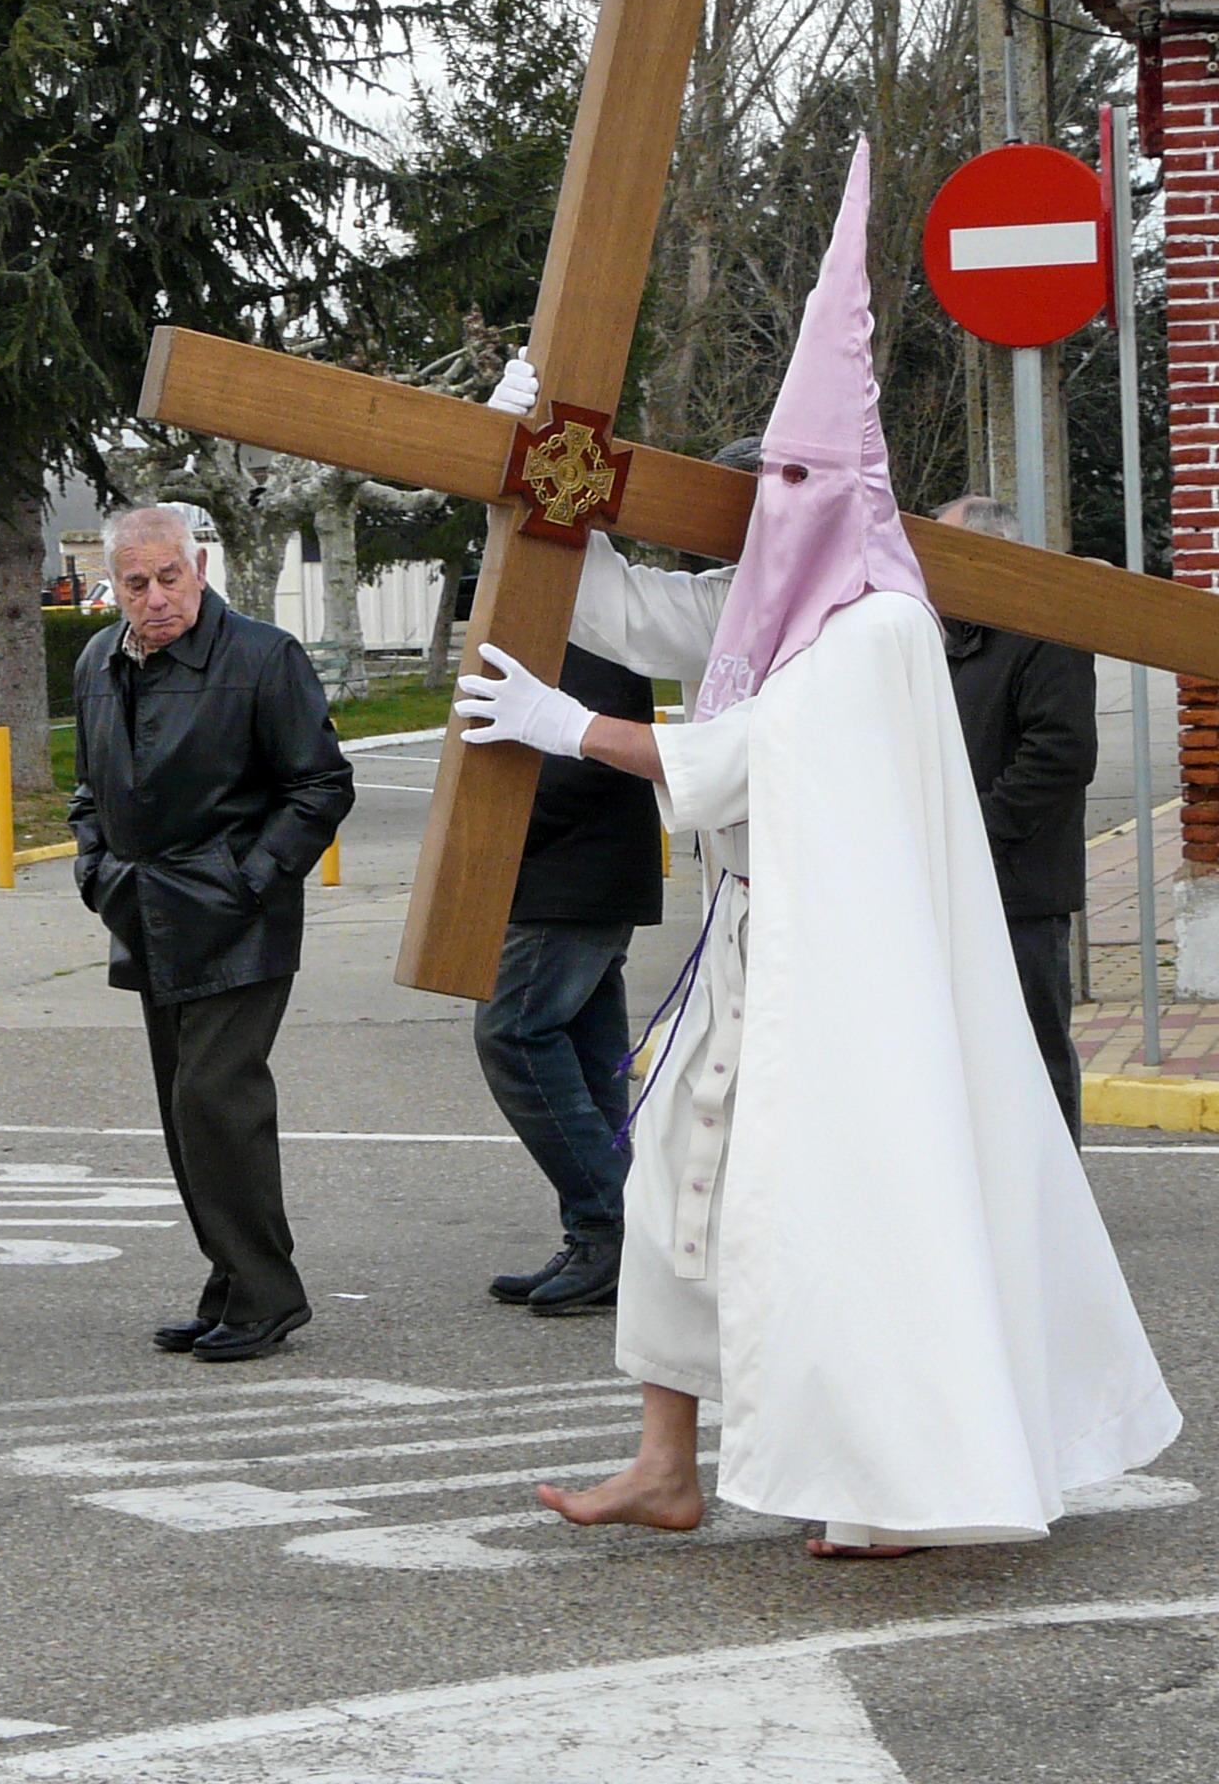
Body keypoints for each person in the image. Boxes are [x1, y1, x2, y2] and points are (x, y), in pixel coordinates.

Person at [462, 145, 1178, 1556]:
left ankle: (889, 1484)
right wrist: (516, 452)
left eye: (798, 480)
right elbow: (616, 606)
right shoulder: (767, 604)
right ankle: (667, 1462)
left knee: (851, 1219)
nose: (774, 506)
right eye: (766, 481)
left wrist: (568, 728)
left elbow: (748, 752)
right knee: (675, 1186)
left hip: (857, 978)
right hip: (753, 944)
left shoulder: (880, 622)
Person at [70, 505, 355, 1362]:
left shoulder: (263, 657)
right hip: (147, 915)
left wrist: (248, 880)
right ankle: (232, 1281)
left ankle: (266, 1294)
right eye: (135, 583)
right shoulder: (97, 662)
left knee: (215, 1102)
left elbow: (320, 785)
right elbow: (88, 791)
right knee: (184, 1111)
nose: (156, 598)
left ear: (198, 569)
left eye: (169, 577)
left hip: (238, 923)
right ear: (113, 586)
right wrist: (97, 872)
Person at [478, 646, 663, 1316]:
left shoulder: (588, 627)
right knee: (588, 1059)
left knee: (514, 1034)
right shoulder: (561, 627)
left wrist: (488, 826)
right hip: (577, 876)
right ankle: (600, 1238)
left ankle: (617, 1224)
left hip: (574, 873)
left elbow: (589, 760)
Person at [935, 494, 1098, 1142]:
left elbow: (1060, 755)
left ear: (984, 553)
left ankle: (1055, 1189)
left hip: (1018, 891)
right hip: (953, 883)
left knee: (1032, 1052)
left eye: (944, 551)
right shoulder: (949, 637)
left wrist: (972, 829)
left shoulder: (1044, 630)